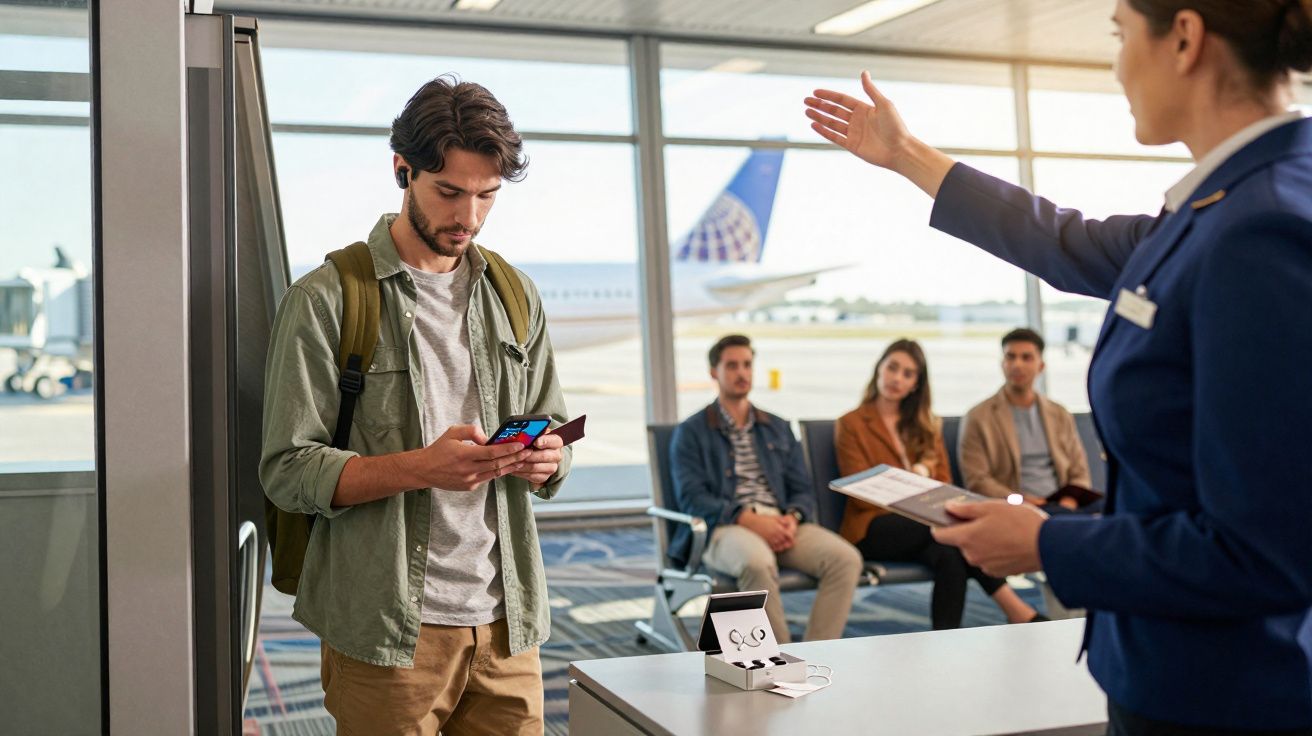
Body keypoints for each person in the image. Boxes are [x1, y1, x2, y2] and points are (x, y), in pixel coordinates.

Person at [805, 1, 1312, 732]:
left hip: (1228, 692)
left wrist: (1046, 539)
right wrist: (906, 154)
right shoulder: (1216, 208)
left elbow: (1266, 547)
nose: (1114, 62)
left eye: (1118, 34)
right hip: (1169, 665)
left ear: (1185, 38)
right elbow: (1061, 241)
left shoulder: (1262, 230)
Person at [261, 76, 571, 735]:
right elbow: (288, 470)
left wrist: (548, 458)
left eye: (487, 196)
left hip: (507, 623)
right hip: (387, 630)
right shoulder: (326, 299)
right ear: (402, 170)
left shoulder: (515, 295)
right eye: (449, 192)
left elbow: (554, 431)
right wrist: (424, 468)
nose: (469, 217)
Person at [834, 339, 1044, 630]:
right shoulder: (852, 423)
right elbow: (860, 495)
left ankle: (947, 638)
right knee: (949, 530)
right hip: (873, 526)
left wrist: (917, 484)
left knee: (950, 553)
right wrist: (918, 480)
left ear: (916, 384)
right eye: (892, 368)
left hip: (925, 527)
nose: (897, 378)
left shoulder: (927, 425)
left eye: (908, 374)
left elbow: (945, 484)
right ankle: (1016, 609)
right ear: (878, 369)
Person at [670, 334, 864, 643]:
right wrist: (749, 519)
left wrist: (793, 517)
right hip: (724, 527)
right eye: (732, 365)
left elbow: (802, 488)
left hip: (780, 523)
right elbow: (693, 498)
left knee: (846, 559)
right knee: (756, 563)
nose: (742, 373)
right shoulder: (691, 432)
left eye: (747, 364)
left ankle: (820, 653)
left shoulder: (776, 426)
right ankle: (783, 662)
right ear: (713, 372)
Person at [959, 328, 1098, 513]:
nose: (1017, 364)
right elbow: (977, 480)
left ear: (1041, 366)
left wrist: (1069, 501)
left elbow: (1079, 471)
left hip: (1059, 503)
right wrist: (1019, 502)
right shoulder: (978, 417)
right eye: (1011, 357)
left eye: (1026, 358)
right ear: (1002, 364)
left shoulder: (1059, 414)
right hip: (1012, 506)